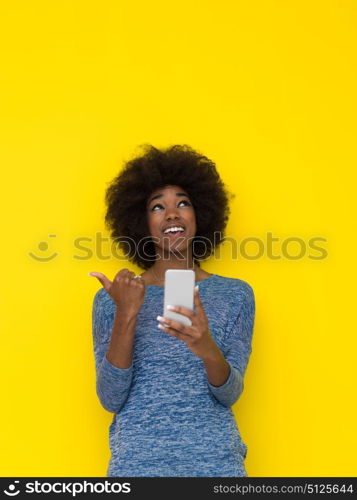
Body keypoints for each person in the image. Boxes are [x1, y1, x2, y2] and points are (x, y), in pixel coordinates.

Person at [89, 144, 256, 477]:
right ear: (141, 222)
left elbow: (230, 394)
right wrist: (127, 314)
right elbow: (111, 398)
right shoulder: (113, 298)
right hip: (136, 467)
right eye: (157, 206)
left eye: (183, 202)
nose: (172, 214)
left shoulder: (235, 295)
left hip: (216, 466)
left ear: (200, 214)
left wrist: (205, 346)